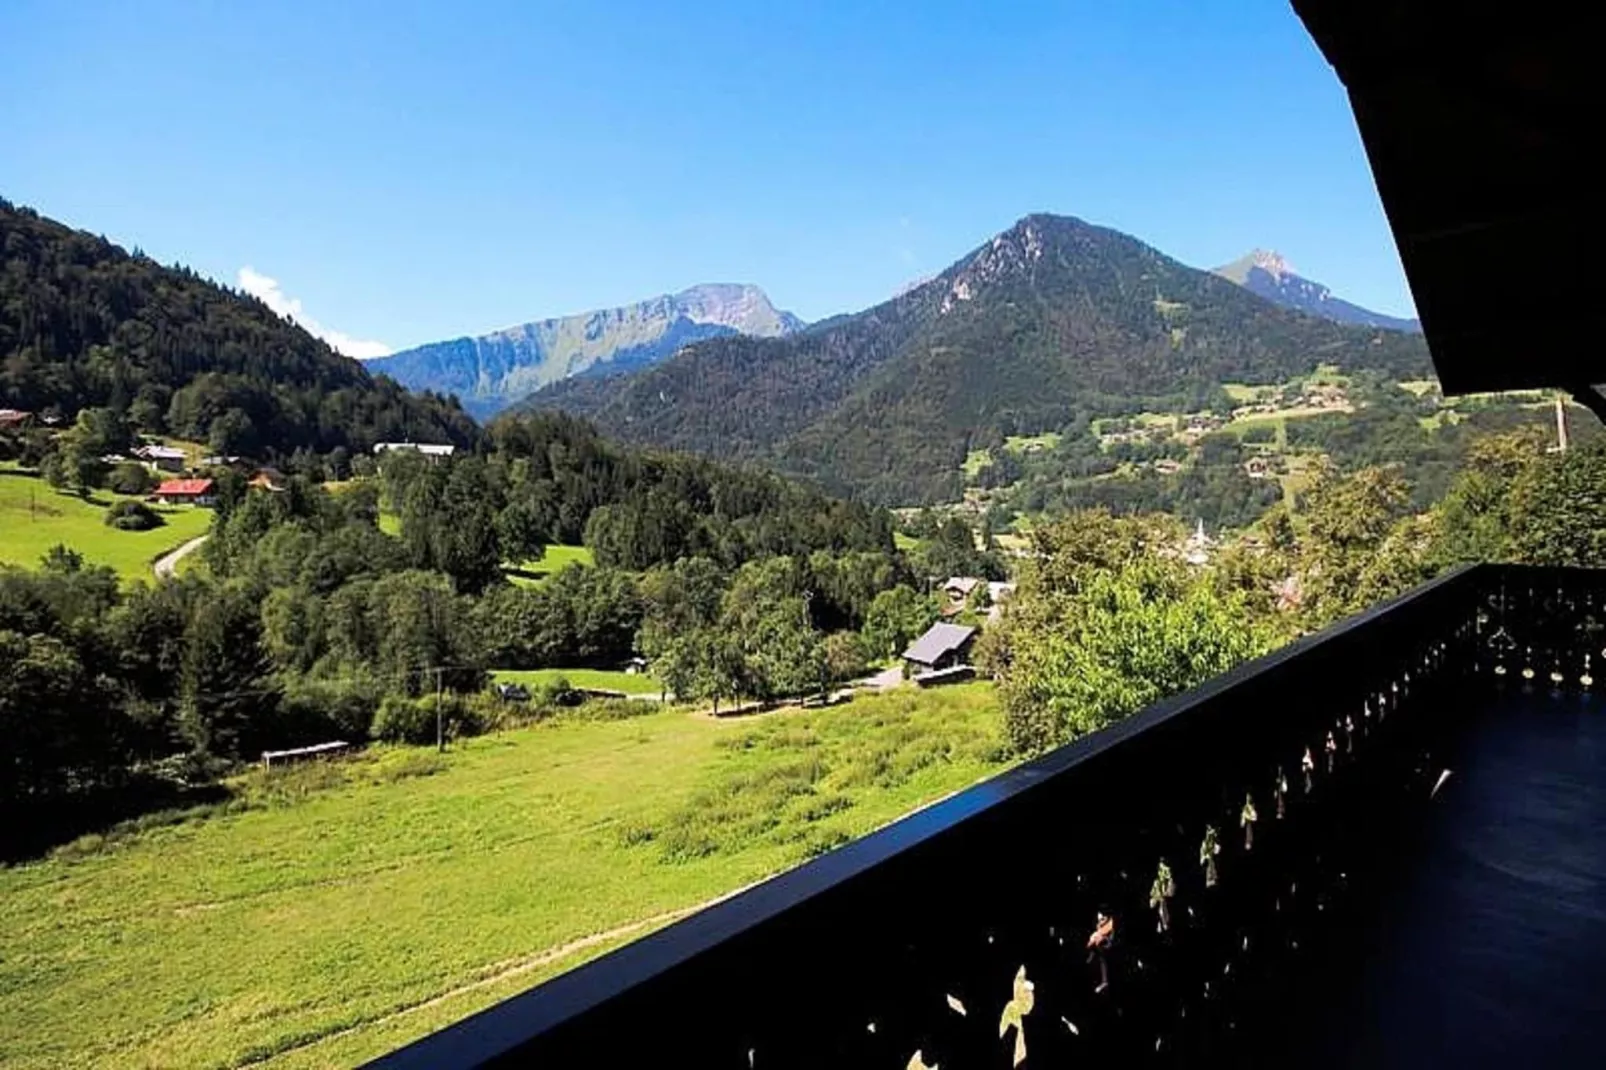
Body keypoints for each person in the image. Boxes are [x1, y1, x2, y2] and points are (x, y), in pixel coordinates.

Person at [1087, 911, 1115, 992]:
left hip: (1109, 944)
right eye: (1099, 920)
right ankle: (1103, 981)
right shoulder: (1099, 926)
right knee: (1099, 955)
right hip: (1102, 946)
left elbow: (1108, 936)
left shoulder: (1110, 923)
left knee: (1100, 952)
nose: (1100, 921)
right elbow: (1095, 937)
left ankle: (1104, 981)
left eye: (1102, 919)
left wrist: (1099, 938)